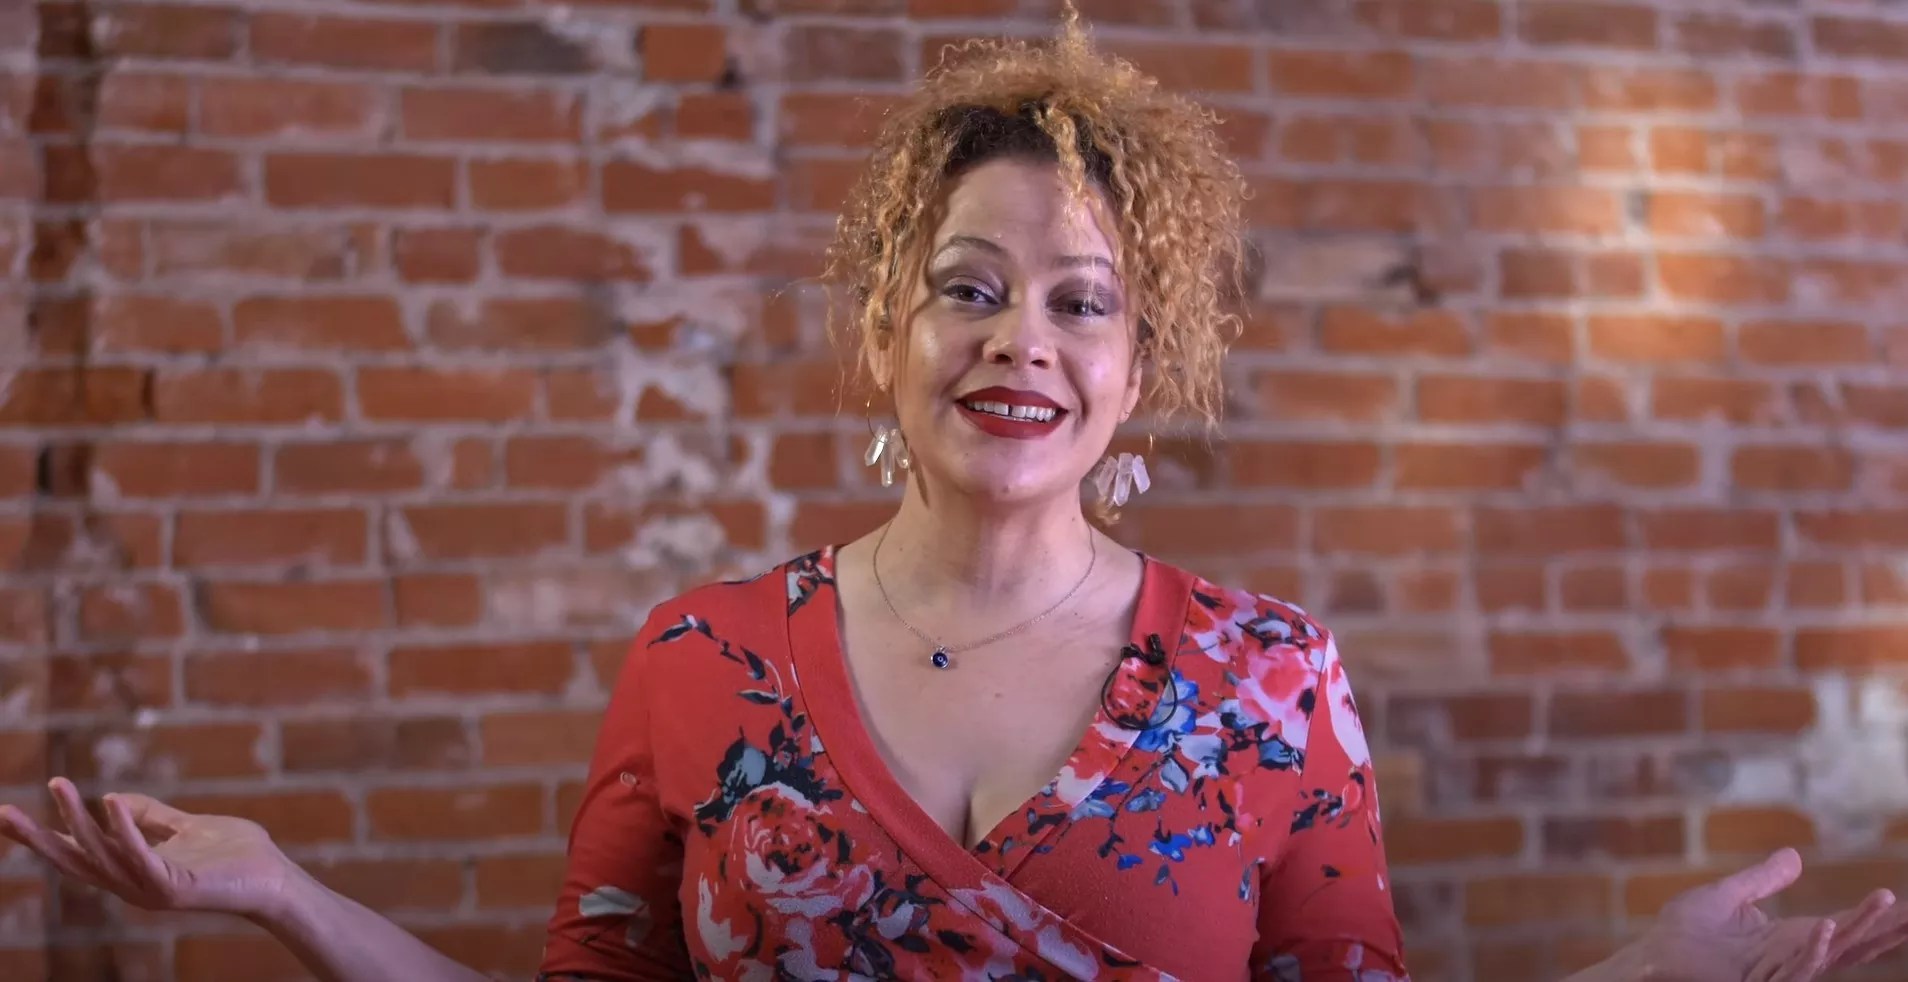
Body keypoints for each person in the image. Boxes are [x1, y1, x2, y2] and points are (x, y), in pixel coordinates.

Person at [5, 12, 1908, 982]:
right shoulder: (698, 661)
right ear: (885, 335)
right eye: (969, 286)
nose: (1023, 341)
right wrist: (282, 895)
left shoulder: (1272, 679)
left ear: (1138, 372)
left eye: (1082, 302)